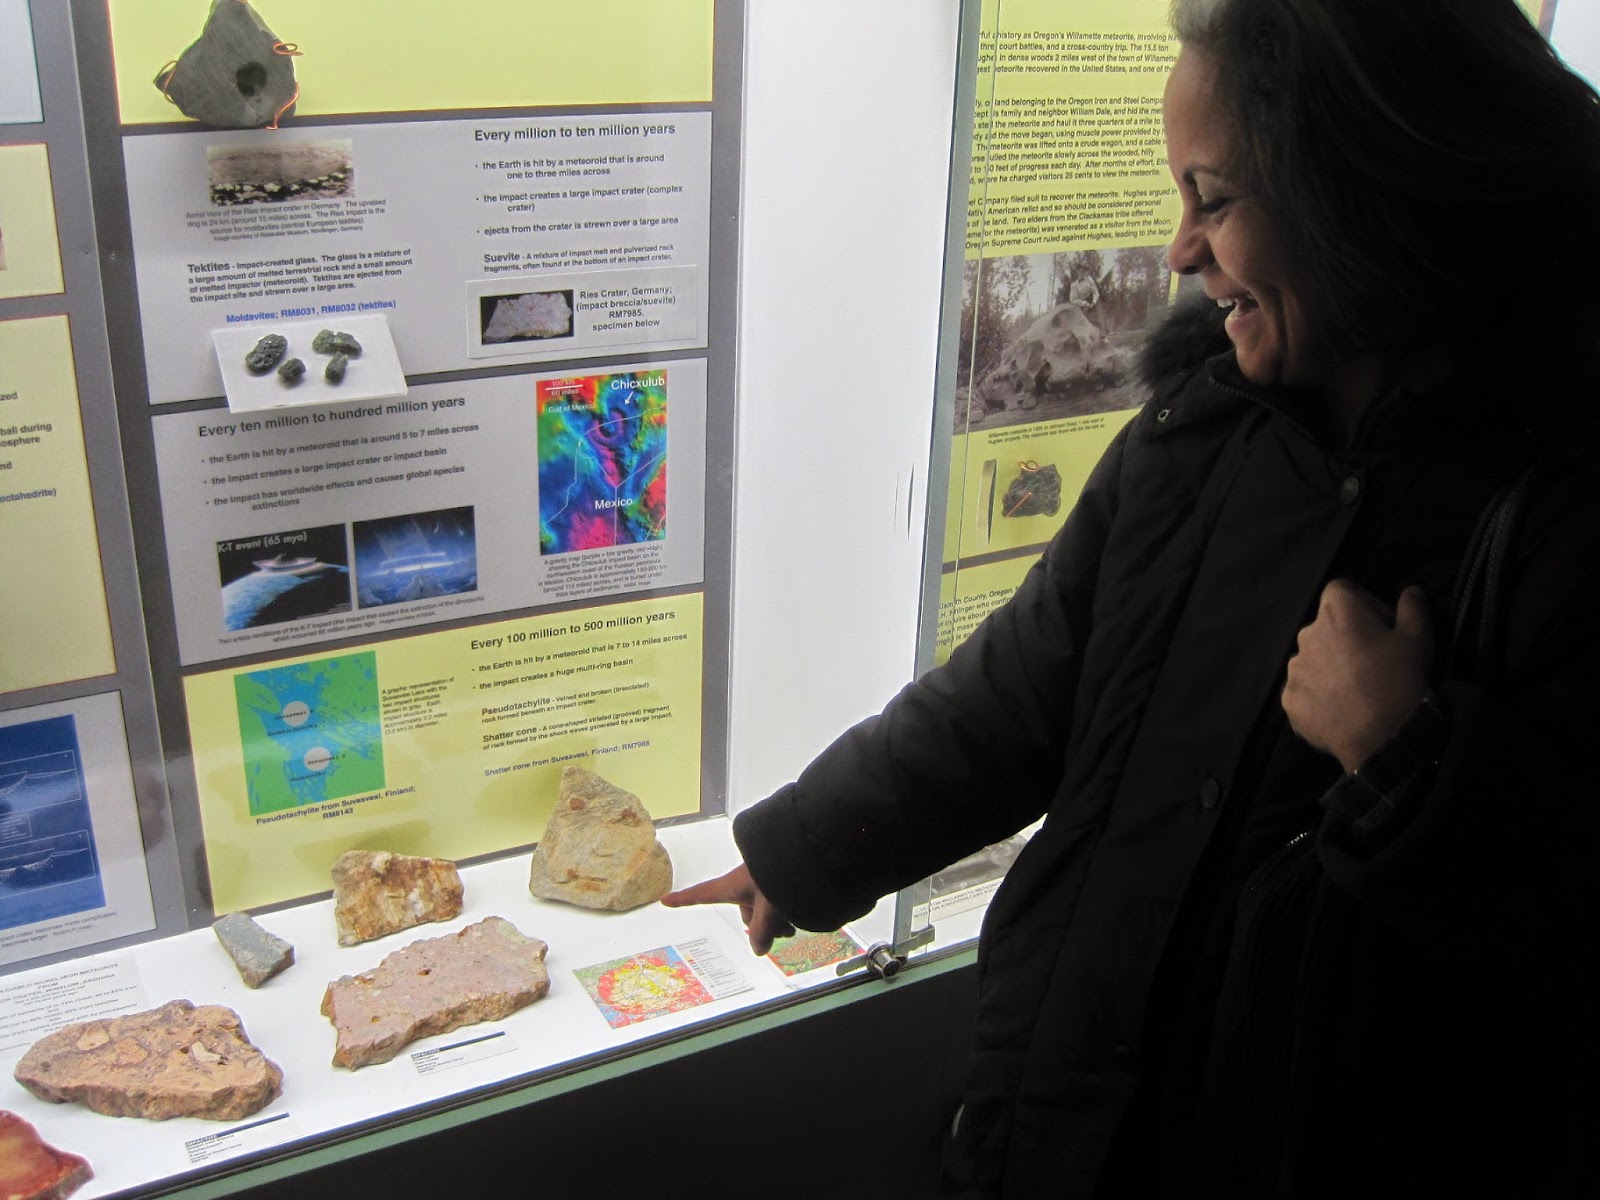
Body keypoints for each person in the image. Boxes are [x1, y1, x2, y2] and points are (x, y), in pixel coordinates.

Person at [666, 0, 1600, 1194]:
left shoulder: (1560, 512)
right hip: (1061, 1121)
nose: (1178, 252)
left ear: (1359, 190)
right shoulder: (1200, 428)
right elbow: (1023, 686)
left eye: (1214, 199)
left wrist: (1408, 759)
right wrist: (801, 848)